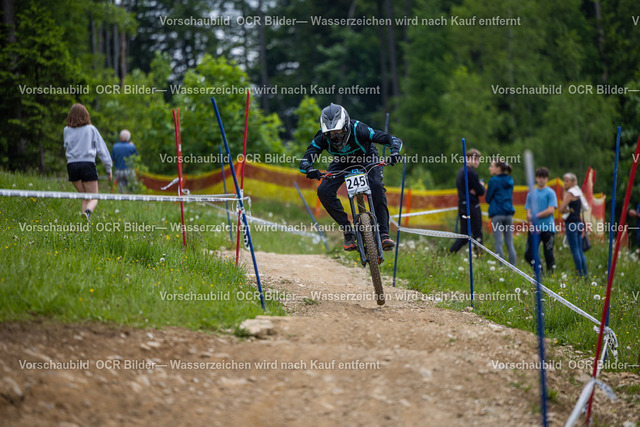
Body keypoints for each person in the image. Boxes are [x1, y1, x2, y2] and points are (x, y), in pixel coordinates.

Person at [298, 103, 403, 251]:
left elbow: (392, 139)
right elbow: (304, 162)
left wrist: (394, 153)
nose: (335, 138)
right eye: (330, 134)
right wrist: (310, 169)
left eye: (338, 132)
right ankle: (348, 230)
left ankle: (384, 233)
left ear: (346, 126)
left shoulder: (359, 129)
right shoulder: (321, 138)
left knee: (376, 186)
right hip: (342, 162)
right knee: (323, 191)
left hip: (367, 158)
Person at [63, 103, 112, 221]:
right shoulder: (91, 129)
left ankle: (83, 225)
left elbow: (66, 146)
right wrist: (108, 168)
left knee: (85, 196)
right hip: (87, 165)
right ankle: (88, 212)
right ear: (86, 115)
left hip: (72, 166)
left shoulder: (66, 130)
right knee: (94, 197)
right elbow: (102, 149)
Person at [449, 148, 485, 254]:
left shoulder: (461, 171)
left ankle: (449, 254)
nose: (477, 162)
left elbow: (475, 190)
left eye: (478, 160)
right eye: (475, 159)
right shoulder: (470, 172)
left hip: (463, 204)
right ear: (468, 159)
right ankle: (479, 256)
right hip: (472, 205)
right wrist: (481, 186)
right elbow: (480, 191)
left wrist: (476, 189)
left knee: (464, 235)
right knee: (477, 233)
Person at [524, 167, 557, 275]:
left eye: (543, 177)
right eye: (539, 177)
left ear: (547, 179)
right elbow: (528, 212)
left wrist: (535, 216)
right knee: (528, 254)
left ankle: (551, 276)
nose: (541, 179)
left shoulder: (551, 193)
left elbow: (550, 210)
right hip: (534, 229)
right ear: (536, 178)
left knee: (548, 253)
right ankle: (539, 272)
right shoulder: (531, 194)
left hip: (548, 228)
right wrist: (531, 224)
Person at [559, 172, 589, 278]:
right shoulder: (578, 192)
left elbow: (561, 208)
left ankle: (579, 275)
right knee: (580, 250)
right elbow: (584, 207)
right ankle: (585, 275)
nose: (565, 183)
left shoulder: (570, 193)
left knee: (575, 250)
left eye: (567, 181)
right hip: (579, 223)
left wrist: (567, 210)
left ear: (572, 182)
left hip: (571, 223)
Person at [486, 160, 516, 265]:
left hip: (497, 214)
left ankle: (501, 267)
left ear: (498, 168)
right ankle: (514, 268)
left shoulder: (493, 181)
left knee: (498, 242)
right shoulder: (510, 180)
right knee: (509, 243)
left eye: (491, 166)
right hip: (508, 214)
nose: (490, 168)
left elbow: (488, 198)